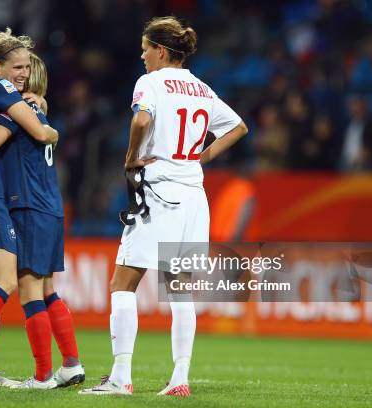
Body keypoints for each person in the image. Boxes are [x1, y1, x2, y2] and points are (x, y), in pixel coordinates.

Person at [79, 16, 248, 397]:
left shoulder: (151, 83)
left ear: (160, 50)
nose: (142, 58)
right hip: (194, 197)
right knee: (179, 290)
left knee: (123, 282)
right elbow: (238, 128)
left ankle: (121, 377)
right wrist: (200, 158)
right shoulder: (202, 89)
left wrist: (130, 156)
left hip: (160, 192)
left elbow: (141, 120)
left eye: (145, 50)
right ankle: (180, 379)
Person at [0, 53, 84, 390]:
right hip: (52, 207)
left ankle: (42, 375)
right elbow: (46, 133)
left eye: (26, 73)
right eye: (19, 71)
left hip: (28, 207)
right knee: (46, 289)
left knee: (27, 291)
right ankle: (70, 363)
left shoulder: (14, 117)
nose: (22, 78)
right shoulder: (38, 114)